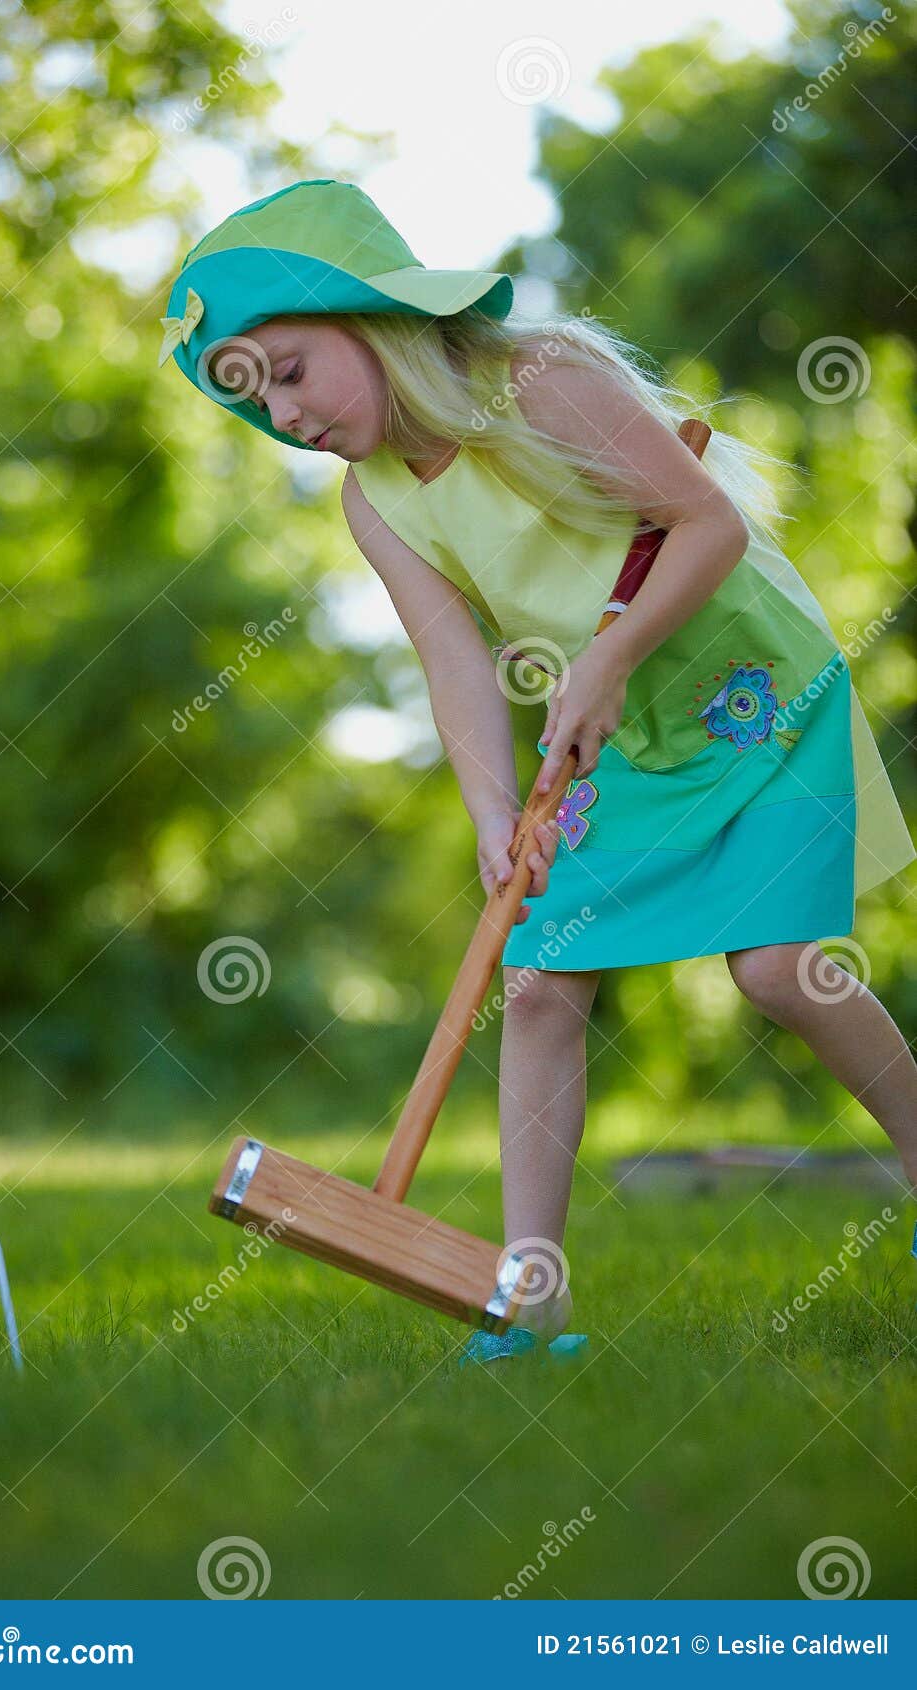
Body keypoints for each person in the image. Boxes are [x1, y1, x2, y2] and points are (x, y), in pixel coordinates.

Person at [158, 178, 917, 1367]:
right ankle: (529, 1297)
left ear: (371, 315)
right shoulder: (373, 501)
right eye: (255, 400)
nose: (285, 414)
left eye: (290, 370)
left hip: (748, 692)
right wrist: (490, 808)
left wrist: (608, 655)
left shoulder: (540, 382)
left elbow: (707, 524)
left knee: (774, 968)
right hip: (617, 734)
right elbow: (452, 660)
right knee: (538, 984)